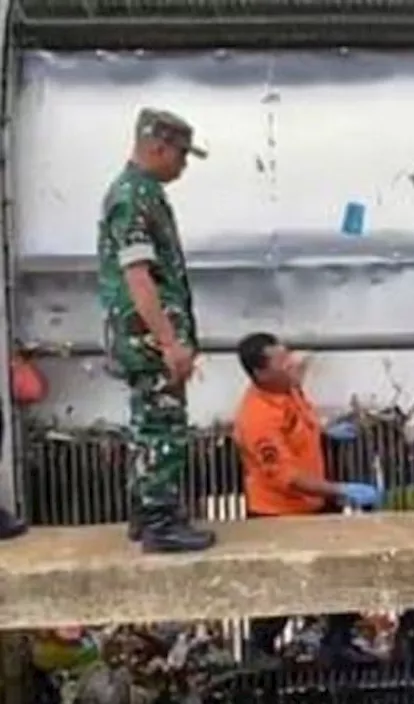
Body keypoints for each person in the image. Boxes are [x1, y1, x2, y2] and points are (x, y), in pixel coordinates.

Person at [231, 332, 388, 665]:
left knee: (342, 569)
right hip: (280, 513)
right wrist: (343, 490)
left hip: (315, 503)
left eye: (288, 357)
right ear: (261, 373)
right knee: (284, 585)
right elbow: (289, 478)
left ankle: (338, 640)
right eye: (283, 362)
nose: (294, 365)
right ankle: (259, 649)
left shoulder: (287, 387)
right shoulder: (257, 418)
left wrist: (323, 430)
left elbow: (300, 421)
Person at [98, 108, 215, 553]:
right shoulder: (132, 197)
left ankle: (146, 514)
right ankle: (160, 523)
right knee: (162, 425)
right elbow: (139, 277)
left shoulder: (142, 193)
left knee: (147, 421)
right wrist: (169, 341)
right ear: (157, 147)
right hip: (146, 337)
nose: (183, 165)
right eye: (181, 155)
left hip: (144, 334)